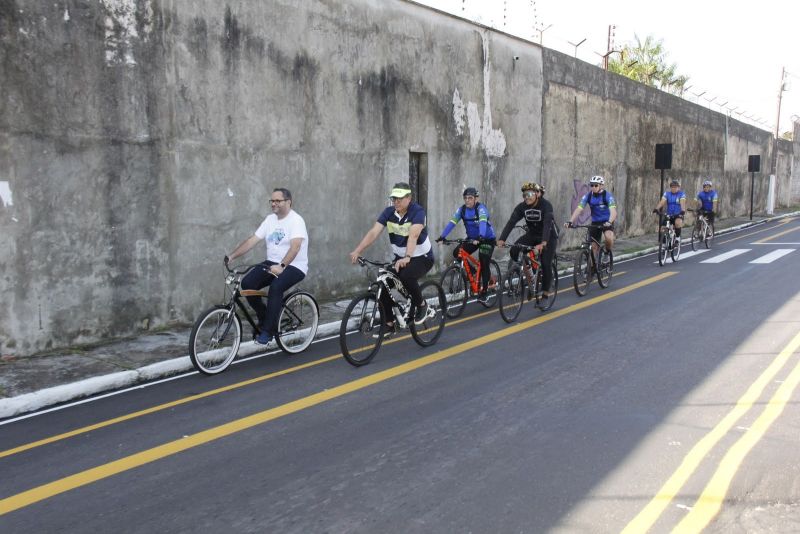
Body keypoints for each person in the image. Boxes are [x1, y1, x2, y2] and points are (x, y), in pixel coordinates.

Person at [227, 188, 309, 345]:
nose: (274, 204)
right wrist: (232, 256)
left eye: (278, 201)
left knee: (276, 287)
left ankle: (268, 331)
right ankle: (265, 316)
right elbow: (252, 240)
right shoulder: (270, 220)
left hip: (294, 266)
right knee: (247, 283)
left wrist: (282, 265)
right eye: (272, 201)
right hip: (272, 263)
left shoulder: (296, 220)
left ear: (288, 202)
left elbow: (295, 247)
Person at [349, 182, 434, 329]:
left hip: (422, 257)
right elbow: (374, 232)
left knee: (407, 276)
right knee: (383, 282)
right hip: (400, 258)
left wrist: (407, 257)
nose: (396, 201)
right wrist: (358, 251)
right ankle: (389, 323)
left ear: (409, 198)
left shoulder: (418, 211)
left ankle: (422, 305)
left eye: (400, 198)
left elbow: (413, 236)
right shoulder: (389, 212)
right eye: (394, 198)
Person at [497, 181, 558, 299]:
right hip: (533, 234)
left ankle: (546, 291)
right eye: (524, 195)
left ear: (537, 194)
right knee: (514, 250)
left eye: (529, 194)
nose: (527, 197)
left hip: (549, 236)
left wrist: (543, 243)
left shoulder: (546, 205)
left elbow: (547, 225)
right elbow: (511, 222)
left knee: (546, 263)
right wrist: (502, 239)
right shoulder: (522, 207)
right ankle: (528, 273)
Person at [436, 186, 497, 302]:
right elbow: (452, 223)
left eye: (470, 198)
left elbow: (483, 223)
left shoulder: (481, 209)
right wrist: (442, 237)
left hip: (486, 239)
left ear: (476, 199)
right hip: (472, 239)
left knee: (484, 262)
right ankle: (473, 272)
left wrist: (481, 236)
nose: (467, 200)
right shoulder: (462, 210)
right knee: (457, 253)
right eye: (465, 198)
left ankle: (484, 292)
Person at [565, 175, 617, 256]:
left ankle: (607, 253)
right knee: (593, 247)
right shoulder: (588, 196)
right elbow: (579, 208)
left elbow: (613, 212)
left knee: (609, 238)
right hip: (595, 222)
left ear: (601, 186)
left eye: (596, 185)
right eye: (591, 185)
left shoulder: (607, 196)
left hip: (607, 221)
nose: (593, 187)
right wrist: (570, 221)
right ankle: (592, 267)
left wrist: (609, 222)